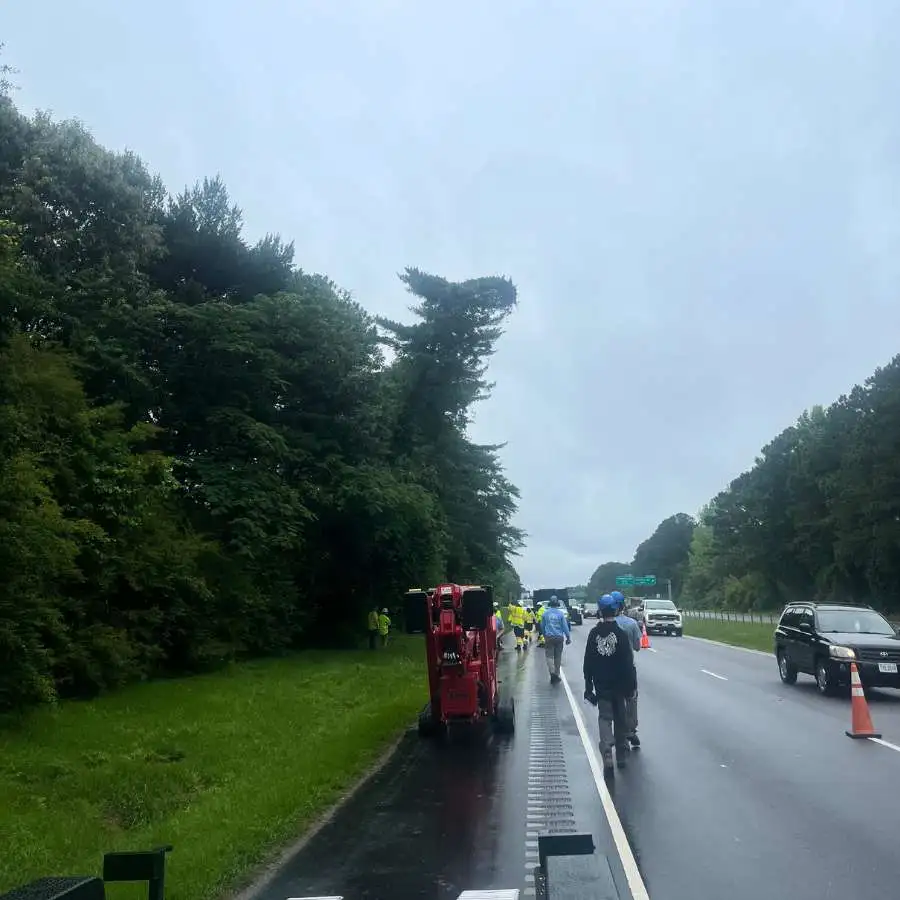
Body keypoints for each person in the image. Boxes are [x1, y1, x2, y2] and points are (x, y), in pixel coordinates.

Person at [583, 593, 637, 775]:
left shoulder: (593, 634)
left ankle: (607, 750)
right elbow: (628, 663)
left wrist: (588, 686)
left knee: (605, 718)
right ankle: (621, 754)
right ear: (615, 610)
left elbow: (587, 662)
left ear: (600, 611)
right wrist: (631, 687)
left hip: (602, 686)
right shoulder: (620, 635)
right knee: (620, 720)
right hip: (620, 687)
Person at [611, 590, 642, 749]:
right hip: (628, 668)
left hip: (610, 669)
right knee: (631, 698)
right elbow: (637, 647)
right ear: (623, 605)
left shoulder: (607, 624)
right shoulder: (631, 623)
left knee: (613, 701)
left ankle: (616, 731)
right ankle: (631, 729)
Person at [541, 595, 571, 684]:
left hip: (549, 637)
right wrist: (568, 637)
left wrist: (544, 635)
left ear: (550, 604)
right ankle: (557, 674)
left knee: (549, 656)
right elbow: (565, 627)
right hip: (559, 638)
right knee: (558, 657)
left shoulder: (545, 614)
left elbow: (542, 626)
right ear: (557, 604)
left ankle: (552, 673)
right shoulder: (560, 614)